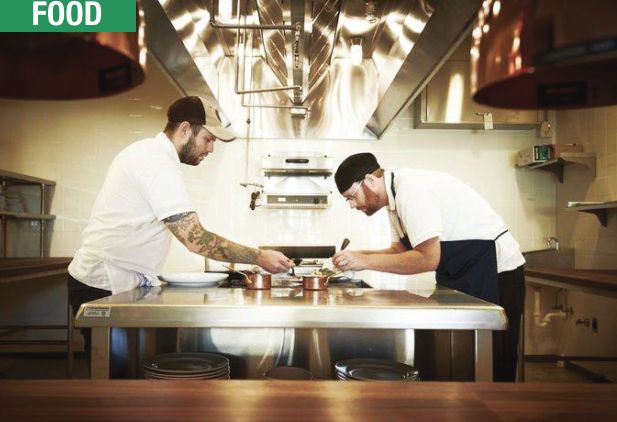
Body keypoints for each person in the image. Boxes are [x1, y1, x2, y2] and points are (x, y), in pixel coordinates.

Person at [68, 96, 293, 358]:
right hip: (103, 283)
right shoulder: (155, 161)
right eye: (208, 139)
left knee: (128, 370)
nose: (211, 149)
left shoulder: (152, 155)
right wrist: (259, 257)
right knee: (113, 372)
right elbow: (195, 238)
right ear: (185, 129)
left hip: (116, 279)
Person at [332, 152, 525, 382]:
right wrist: (357, 256)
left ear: (370, 180)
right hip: (464, 271)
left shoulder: (410, 190)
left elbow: (427, 259)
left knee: (494, 364)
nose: (353, 205)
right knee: (462, 364)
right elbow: (399, 250)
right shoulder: (393, 200)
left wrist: (363, 261)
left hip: (496, 272)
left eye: (352, 196)